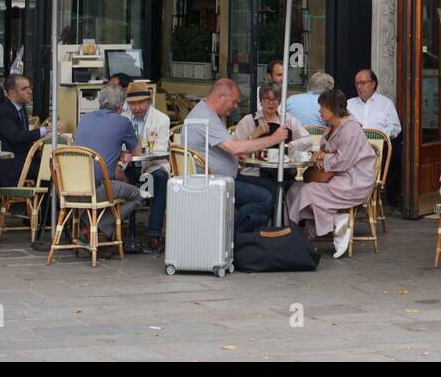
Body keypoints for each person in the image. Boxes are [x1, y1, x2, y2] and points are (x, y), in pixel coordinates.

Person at [182, 79, 285, 233]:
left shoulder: (205, 113)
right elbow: (234, 147)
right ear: (221, 98)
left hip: (217, 178)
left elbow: (226, 145)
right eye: (234, 101)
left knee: (270, 188)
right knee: (263, 198)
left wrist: (235, 154)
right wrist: (273, 139)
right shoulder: (206, 118)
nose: (236, 106)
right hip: (212, 183)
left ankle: (252, 232)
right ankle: (227, 236)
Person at [287, 88, 376, 258]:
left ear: (334, 108)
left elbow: (342, 161)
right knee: (294, 189)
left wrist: (324, 157)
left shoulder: (350, 129)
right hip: (336, 177)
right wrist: (324, 157)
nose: (320, 110)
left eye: (323, 107)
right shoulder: (331, 129)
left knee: (308, 192)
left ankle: (336, 223)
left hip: (354, 181)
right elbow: (326, 157)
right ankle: (300, 234)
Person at [73, 83, 143, 252]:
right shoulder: (123, 122)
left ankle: (89, 226)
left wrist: (115, 151)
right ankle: (100, 226)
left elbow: (94, 147)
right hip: (98, 189)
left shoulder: (85, 118)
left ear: (99, 101)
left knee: (113, 187)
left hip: (72, 188)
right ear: (121, 106)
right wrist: (120, 154)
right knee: (139, 194)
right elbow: (137, 151)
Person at [233, 82, 309, 188]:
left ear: (279, 102)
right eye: (267, 99)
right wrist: (254, 135)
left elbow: (307, 140)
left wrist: (288, 147)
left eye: (275, 100)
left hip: (284, 172)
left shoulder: (287, 120)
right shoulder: (248, 121)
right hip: (254, 173)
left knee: (297, 188)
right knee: (270, 187)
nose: (271, 103)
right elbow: (236, 151)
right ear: (261, 101)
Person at [124, 81, 171, 252]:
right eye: (132, 104)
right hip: (128, 167)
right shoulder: (123, 118)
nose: (136, 108)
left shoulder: (161, 120)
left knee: (159, 178)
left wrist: (136, 152)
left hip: (151, 167)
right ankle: (115, 230)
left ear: (149, 101)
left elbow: (159, 150)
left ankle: (154, 232)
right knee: (114, 177)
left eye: (140, 103)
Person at [347, 68, 403, 207]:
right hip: (354, 149)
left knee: (394, 153)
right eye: (357, 84)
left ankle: (385, 197)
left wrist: (378, 134)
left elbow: (396, 127)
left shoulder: (385, 104)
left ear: (373, 84)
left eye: (363, 83)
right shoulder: (349, 104)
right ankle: (354, 198)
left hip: (379, 149)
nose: (359, 87)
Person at [0, 74, 39, 188]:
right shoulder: (4, 112)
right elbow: (16, 136)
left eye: (29, 87)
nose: (30, 91)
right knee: (52, 169)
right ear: (12, 93)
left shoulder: (20, 108)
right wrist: (43, 131)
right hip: (11, 166)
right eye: (24, 89)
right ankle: (45, 204)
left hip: (23, 160)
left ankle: (44, 203)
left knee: (54, 166)